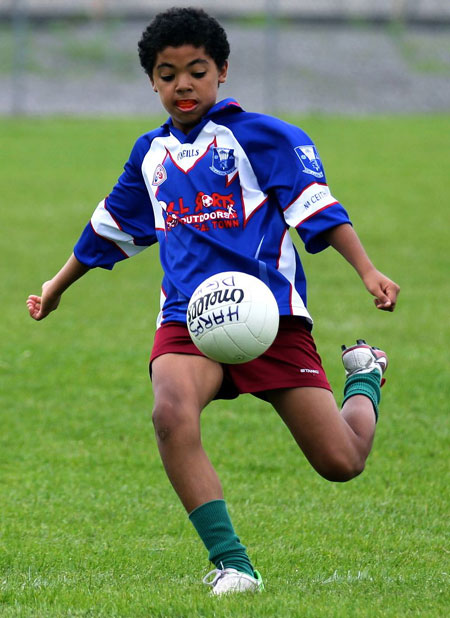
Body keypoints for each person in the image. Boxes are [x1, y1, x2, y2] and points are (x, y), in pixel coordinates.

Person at [27, 7, 400, 596]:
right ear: (151, 81)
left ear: (222, 71)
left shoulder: (262, 137)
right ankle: (235, 566)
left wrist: (368, 270)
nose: (183, 85)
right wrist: (56, 285)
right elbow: (110, 227)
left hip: (271, 317)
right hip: (188, 318)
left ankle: (367, 375)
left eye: (196, 70)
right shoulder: (149, 154)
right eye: (167, 73)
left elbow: (316, 207)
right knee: (170, 415)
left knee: (342, 461)